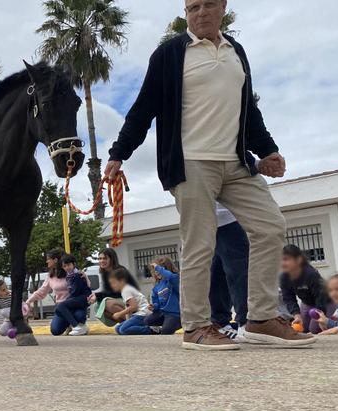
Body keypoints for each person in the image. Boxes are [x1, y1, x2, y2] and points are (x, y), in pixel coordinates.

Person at [105, 0, 315, 349]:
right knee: (199, 243)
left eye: (207, 5)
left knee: (270, 226)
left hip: (235, 161)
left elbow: (248, 111)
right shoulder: (170, 54)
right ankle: (196, 327)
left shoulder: (237, 52)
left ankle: (261, 319)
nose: (200, 13)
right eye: (192, 7)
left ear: (223, 7)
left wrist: (269, 151)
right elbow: (143, 109)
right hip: (191, 162)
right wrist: (118, 154)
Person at [210, 203, 250, 341]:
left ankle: (219, 322)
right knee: (238, 267)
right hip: (226, 214)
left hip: (211, 216)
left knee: (217, 269)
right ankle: (247, 323)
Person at [280, 244, 333, 334]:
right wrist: (297, 315)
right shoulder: (284, 277)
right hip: (307, 303)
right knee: (301, 329)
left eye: (286, 259)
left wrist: (320, 316)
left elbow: (321, 297)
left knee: (314, 329)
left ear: (299, 260)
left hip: (326, 303)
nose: (282, 263)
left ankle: (333, 324)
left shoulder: (311, 274)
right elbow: (288, 298)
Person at [90, 248, 138, 326]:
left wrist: (97, 296)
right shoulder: (104, 273)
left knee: (108, 303)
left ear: (112, 259)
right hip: (120, 300)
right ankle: (124, 324)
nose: (102, 261)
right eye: (100, 258)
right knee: (97, 307)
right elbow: (108, 292)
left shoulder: (120, 270)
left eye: (105, 258)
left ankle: (135, 322)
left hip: (130, 301)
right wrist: (94, 295)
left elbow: (117, 292)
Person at [25, 249, 69, 335]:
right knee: (55, 331)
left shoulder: (69, 271)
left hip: (73, 304)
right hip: (60, 307)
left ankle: (77, 323)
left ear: (55, 260)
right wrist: (28, 301)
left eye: (48, 259)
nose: (46, 261)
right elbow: (42, 291)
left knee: (78, 315)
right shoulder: (50, 276)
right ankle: (67, 323)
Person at [53, 254, 92, 336]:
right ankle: (78, 327)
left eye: (69, 265)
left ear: (74, 264)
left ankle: (77, 327)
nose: (67, 267)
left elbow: (75, 291)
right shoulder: (70, 275)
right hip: (78, 298)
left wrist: (66, 301)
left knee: (60, 306)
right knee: (61, 307)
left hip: (83, 298)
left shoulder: (77, 275)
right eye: (64, 266)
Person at [109, 268, 154, 335]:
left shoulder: (126, 290)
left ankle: (151, 329)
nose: (112, 286)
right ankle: (143, 327)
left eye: (114, 283)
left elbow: (133, 307)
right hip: (138, 315)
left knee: (124, 329)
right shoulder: (125, 290)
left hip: (143, 314)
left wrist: (119, 314)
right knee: (118, 329)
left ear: (122, 281)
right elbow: (128, 308)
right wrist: (128, 321)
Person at [145, 257, 182, 335]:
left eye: (158, 270)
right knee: (147, 320)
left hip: (174, 314)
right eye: (154, 270)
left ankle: (177, 325)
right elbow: (157, 303)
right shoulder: (157, 286)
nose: (156, 272)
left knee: (166, 331)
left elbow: (170, 276)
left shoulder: (174, 279)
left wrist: (158, 268)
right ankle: (160, 328)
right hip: (163, 313)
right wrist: (154, 306)